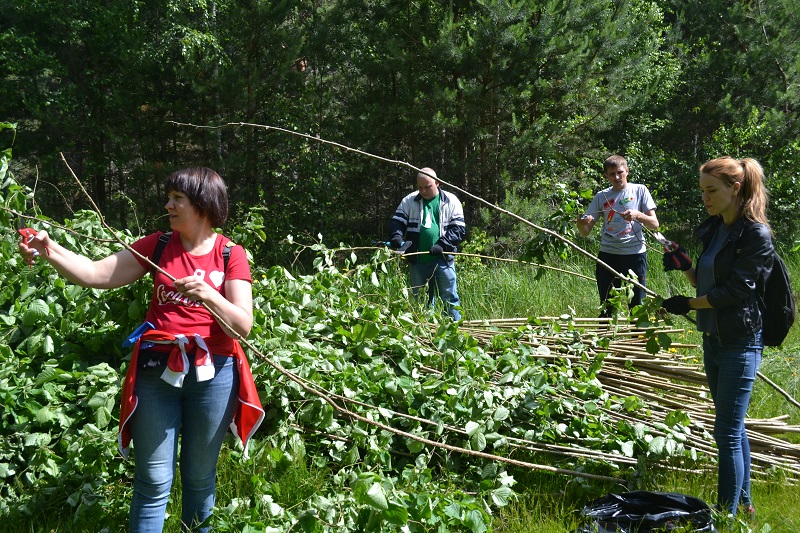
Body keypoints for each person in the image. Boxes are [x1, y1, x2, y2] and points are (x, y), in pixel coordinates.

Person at [19, 167, 264, 532]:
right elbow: (96, 274)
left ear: (202, 204)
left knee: (199, 479)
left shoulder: (231, 254)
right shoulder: (158, 246)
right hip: (156, 372)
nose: (168, 205)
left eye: (177, 199)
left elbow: (242, 326)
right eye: (169, 197)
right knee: (152, 480)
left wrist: (208, 294)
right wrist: (49, 249)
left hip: (214, 374)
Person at [660, 157, 773, 518]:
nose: (705, 198)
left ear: (735, 189)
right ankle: (744, 506)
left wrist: (688, 305)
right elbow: (706, 283)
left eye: (712, 190)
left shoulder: (755, 234)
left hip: (741, 341)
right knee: (733, 428)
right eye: (702, 191)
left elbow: (735, 292)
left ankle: (724, 516)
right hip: (713, 340)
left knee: (724, 431)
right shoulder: (714, 228)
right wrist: (686, 265)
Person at [577, 155, 659, 317]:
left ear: (627, 171)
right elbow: (586, 231)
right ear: (606, 176)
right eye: (612, 174)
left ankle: (636, 342)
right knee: (607, 305)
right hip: (608, 256)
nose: (616, 177)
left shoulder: (639, 190)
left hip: (634, 256)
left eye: (620, 172)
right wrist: (581, 223)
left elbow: (654, 224)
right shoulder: (602, 196)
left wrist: (637, 215)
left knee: (637, 306)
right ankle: (604, 340)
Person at [388, 167, 466, 321]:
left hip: (443, 259)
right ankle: (424, 332)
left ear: (437, 183)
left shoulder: (451, 200)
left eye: (427, 187)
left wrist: (442, 244)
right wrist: (397, 235)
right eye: (420, 187)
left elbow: (458, 229)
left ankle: (455, 329)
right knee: (419, 300)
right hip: (417, 261)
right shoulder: (409, 200)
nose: (423, 191)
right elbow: (397, 221)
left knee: (449, 298)